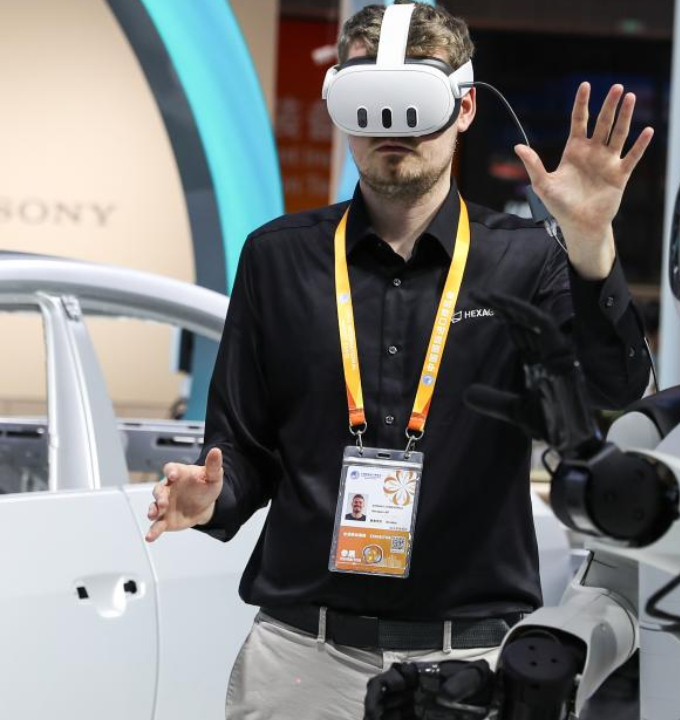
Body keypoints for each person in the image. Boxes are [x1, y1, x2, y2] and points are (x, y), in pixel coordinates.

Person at [141, 4, 653, 719]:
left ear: (464, 107)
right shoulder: (278, 258)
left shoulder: (528, 260)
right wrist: (211, 499)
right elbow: (246, 448)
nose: (391, 128)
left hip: (472, 663)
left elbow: (617, 388)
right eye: (368, 106)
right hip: (302, 660)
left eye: (413, 105)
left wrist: (591, 243)